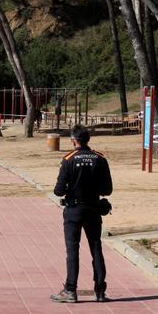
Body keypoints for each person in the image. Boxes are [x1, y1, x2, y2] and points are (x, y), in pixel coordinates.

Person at [50, 125, 113, 303]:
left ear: (73, 140)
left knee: (73, 250)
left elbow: (58, 191)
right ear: (88, 139)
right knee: (96, 248)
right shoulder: (100, 158)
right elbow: (107, 189)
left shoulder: (69, 159)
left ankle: (70, 290)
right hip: (93, 209)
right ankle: (100, 291)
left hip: (73, 211)